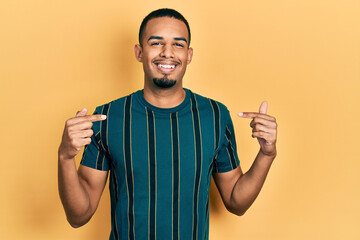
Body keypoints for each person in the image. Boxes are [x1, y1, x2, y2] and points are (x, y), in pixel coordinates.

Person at [58, 8, 277, 240]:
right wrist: (65, 156)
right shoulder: (106, 117)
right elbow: (78, 215)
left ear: (189, 55)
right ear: (139, 52)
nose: (167, 53)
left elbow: (236, 201)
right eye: (156, 43)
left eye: (178, 44)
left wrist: (266, 153)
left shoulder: (215, 115)